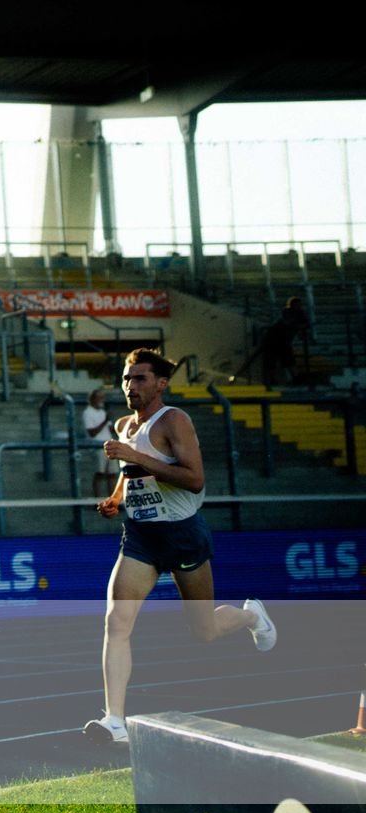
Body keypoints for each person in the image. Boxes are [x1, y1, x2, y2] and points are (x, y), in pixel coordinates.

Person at [83, 348, 276, 743]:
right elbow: (131, 473)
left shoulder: (174, 420)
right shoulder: (122, 425)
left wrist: (135, 456)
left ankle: (251, 617)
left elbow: (194, 480)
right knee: (116, 623)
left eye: (139, 379)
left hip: (183, 533)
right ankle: (114, 721)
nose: (130, 386)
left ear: (161, 383)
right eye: (125, 378)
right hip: (140, 537)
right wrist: (117, 499)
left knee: (203, 630)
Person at [259, 296, 310, 386]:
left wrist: (299, 326)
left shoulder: (300, 313)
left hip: (284, 341)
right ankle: (274, 380)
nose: (298, 306)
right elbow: (287, 323)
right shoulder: (286, 311)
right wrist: (297, 325)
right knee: (272, 361)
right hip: (274, 339)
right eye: (296, 304)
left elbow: (306, 324)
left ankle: (295, 378)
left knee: (289, 360)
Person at [81, 387, 113, 499]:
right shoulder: (87, 413)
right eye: (100, 398)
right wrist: (105, 421)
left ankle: (112, 499)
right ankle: (97, 499)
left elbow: (110, 428)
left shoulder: (103, 411)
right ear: (92, 399)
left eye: (103, 398)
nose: (102, 400)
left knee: (112, 474)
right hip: (97, 445)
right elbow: (92, 433)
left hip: (109, 444)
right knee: (100, 473)